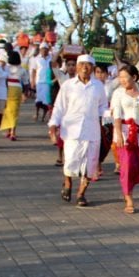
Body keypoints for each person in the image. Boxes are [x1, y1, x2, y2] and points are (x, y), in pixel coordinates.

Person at [47, 54, 107, 207]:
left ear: (93, 68)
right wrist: (53, 123)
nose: (85, 68)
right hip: (72, 130)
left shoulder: (98, 86)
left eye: (88, 65)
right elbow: (59, 106)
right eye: (82, 64)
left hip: (92, 130)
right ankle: (67, 183)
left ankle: (81, 194)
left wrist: (108, 122)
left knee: (90, 164)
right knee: (70, 161)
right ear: (77, 67)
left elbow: (103, 108)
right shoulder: (68, 85)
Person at [111, 64, 139, 214]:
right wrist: (119, 133)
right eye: (119, 77)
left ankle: (129, 187)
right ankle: (128, 197)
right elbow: (117, 115)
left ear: (134, 77)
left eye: (124, 77)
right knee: (127, 166)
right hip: (125, 133)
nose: (121, 80)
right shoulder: (118, 94)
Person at [0, 50, 26, 141]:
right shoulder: (22, 70)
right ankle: (13, 132)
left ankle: (8, 131)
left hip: (7, 88)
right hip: (17, 89)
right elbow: (26, 83)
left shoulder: (6, 68)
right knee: (15, 111)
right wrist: (24, 94)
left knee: (7, 110)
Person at [31, 42, 54, 122]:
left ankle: (43, 116)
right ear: (40, 50)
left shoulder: (51, 58)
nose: (44, 51)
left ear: (48, 50)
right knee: (38, 99)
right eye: (42, 49)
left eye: (46, 49)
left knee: (46, 100)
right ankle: (36, 113)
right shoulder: (36, 59)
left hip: (47, 82)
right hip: (39, 81)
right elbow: (33, 71)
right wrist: (32, 81)